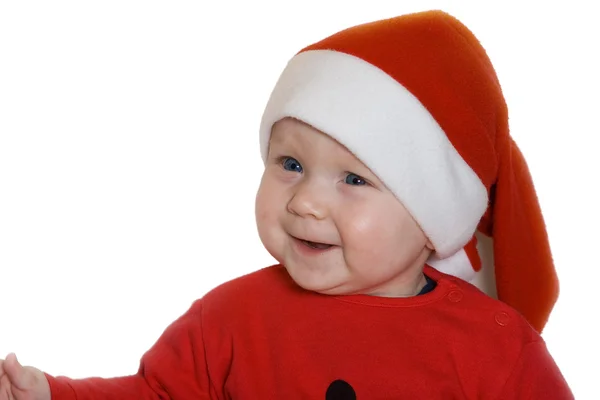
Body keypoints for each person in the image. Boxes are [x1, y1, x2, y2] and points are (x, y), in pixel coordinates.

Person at [0, 9, 574, 399]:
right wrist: (52, 392)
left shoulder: (496, 349)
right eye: (290, 165)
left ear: (430, 220)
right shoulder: (227, 320)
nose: (305, 202)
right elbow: (155, 395)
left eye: (353, 179)